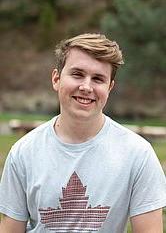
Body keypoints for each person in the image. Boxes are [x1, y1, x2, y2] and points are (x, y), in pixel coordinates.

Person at [0, 33, 166, 233]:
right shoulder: (23, 152)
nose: (86, 87)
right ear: (56, 79)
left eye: (98, 79)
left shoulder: (138, 154)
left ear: (110, 87)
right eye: (77, 74)